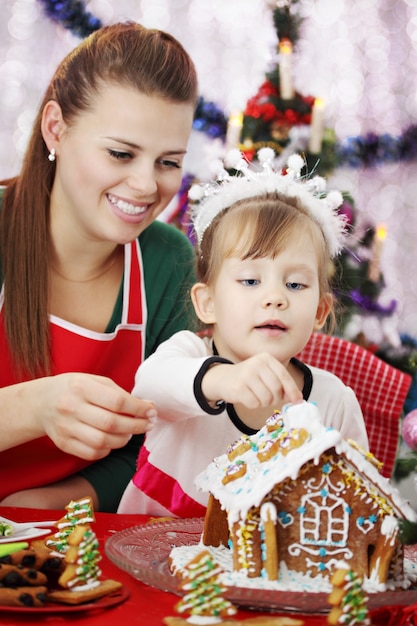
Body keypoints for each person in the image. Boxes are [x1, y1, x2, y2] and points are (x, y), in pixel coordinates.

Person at [0, 22, 199, 511]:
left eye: (167, 162)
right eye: (120, 153)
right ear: (56, 129)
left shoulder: (169, 262)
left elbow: (161, 445)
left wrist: (51, 503)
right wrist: (34, 408)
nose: (146, 185)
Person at [117, 148, 369, 517]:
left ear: (319, 311)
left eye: (296, 284)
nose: (274, 298)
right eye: (250, 280)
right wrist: (222, 379)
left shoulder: (334, 402)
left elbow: (356, 501)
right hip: (151, 551)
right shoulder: (188, 355)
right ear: (208, 303)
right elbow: (149, 387)